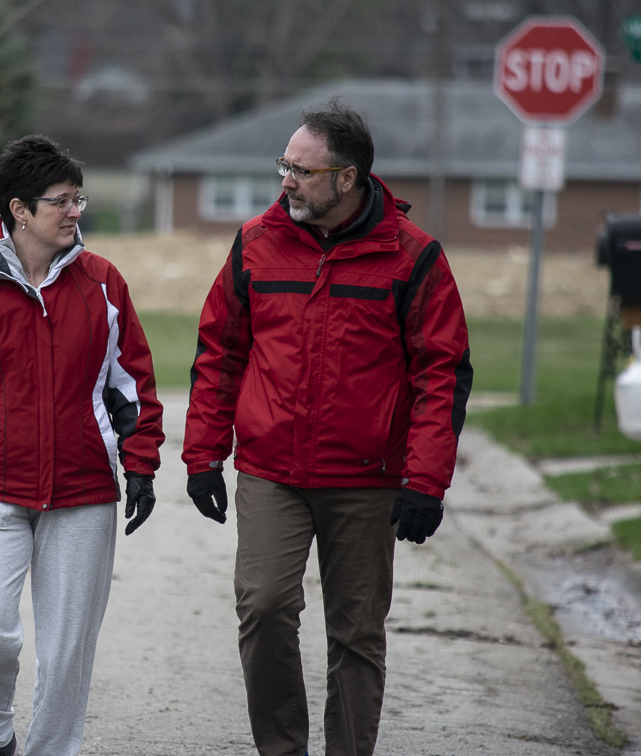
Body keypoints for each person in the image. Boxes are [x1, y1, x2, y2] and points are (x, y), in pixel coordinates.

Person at [182, 99, 472, 756]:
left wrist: (425, 480)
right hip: (271, 471)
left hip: (366, 481)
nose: (286, 179)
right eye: (284, 165)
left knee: (357, 636)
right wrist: (203, 453)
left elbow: (442, 373)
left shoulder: (413, 258)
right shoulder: (256, 243)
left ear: (347, 178)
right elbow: (220, 351)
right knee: (263, 609)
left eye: (301, 170)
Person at [0, 135, 164, 756]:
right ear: (20, 209)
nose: (76, 212)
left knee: (68, 651)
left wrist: (141, 465)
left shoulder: (103, 284)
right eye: (62, 202)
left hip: (84, 491)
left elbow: (134, 384)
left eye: (78, 200)